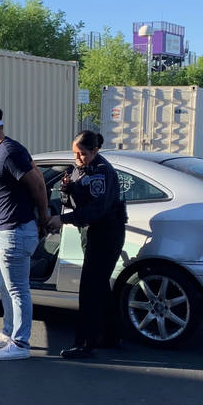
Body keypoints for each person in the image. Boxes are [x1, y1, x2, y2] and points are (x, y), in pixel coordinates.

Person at [0, 104, 51, 361]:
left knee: (18, 290)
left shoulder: (8, 152)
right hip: (4, 231)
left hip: (15, 232)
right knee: (4, 287)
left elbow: (38, 182)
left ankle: (20, 344)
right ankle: (8, 333)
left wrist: (44, 215)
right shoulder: (4, 151)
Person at [47, 131, 128, 359]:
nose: (78, 158)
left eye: (82, 154)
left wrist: (62, 220)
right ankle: (112, 336)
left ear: (95, 151)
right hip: (91, 232)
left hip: (105, 232)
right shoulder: (80, 168)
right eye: (75, 153)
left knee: (90, 289)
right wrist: (67, 190)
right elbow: (77, 201)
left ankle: (84, 344)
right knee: (100, 286)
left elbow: (97, 210)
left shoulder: (101, 171)